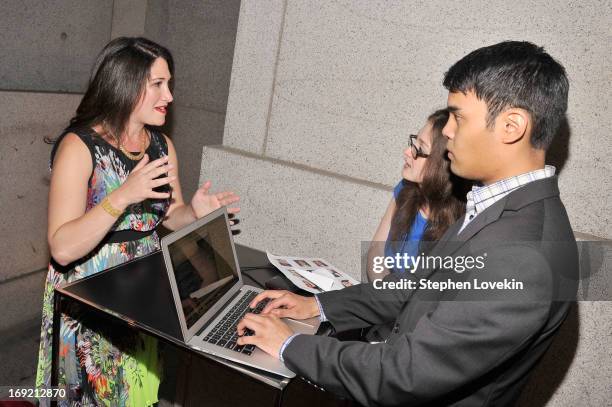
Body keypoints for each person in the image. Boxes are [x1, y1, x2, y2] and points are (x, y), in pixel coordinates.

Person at [236, 41, 578, 406]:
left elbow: (404, 373)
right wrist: (318, 306)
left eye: (458, 116)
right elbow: (413, 289)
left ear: (512, 126)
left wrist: (290, 345)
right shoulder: (496, 207)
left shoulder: (523, 255)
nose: (446, 130)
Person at [35, 37, 239, 406]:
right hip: (90, 295)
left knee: (135, 393)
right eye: (158, 85)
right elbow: (62, 248)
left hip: (143, 293)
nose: (170, 96)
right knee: (92, 394)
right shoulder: (79, 147)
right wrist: (122, 196)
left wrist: (193, 212)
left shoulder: (160, 146)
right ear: (126, 86)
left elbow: (170, 216)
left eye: (169, 84)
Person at [366, 109, 468, 282]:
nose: (408, 151)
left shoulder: (462, 221)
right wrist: (381, 292)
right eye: (414, 142)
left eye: (420, 149)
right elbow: (377, 250)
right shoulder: (405, 189)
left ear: (442, 164)